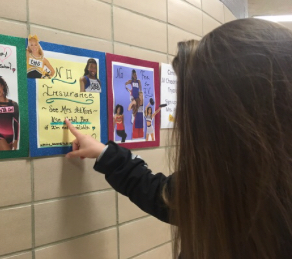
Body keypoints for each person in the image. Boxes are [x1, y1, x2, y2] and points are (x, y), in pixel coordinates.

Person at [64, 18, 292, 259]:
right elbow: (162, 195)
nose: (181, 123)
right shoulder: (223, 176)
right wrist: (104, 153)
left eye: (191, 111)